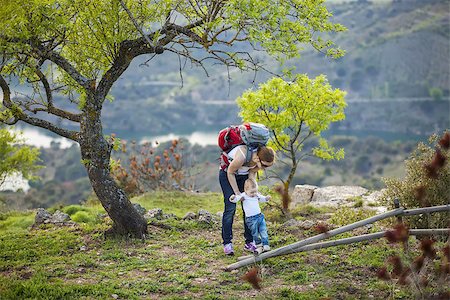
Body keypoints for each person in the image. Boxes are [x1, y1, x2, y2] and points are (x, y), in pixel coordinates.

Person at [219, 144, 275, 256]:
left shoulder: (259, 161)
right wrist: (237, 193)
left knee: (249, 209)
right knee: (230, 209)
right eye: (264, 165)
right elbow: (230, 172)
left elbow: (251, 173)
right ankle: (227, 243)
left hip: (243, 176)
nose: (265, 168)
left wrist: (253, 190)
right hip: (228, 175)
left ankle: (249, 242)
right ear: (259, 158)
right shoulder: (242, 156)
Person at [230, 178, 271, 254]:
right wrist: (233, 198)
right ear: (246, 190)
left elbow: (262, 199)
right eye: (252, 192)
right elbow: (236, 199)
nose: (254, 194)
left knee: (263, 230)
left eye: (255, 191)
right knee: (255, 233)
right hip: (251, 219)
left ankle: (266, 244)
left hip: (259, 216)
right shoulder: (243, 196)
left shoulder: (256, 195)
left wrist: (266, 198)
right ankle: (259, 245)